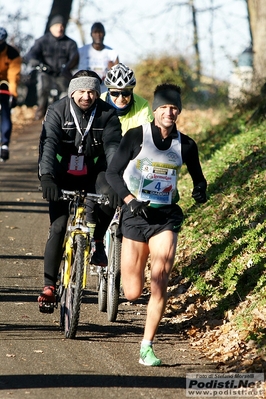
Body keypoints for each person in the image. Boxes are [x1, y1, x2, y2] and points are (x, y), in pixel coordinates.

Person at [106, 83, 207, 366]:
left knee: (160, 279)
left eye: (174, 107)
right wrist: (129, 200)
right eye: (164, 107)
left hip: (166, 218)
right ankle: (111, 237)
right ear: (155, 109)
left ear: (179, 111)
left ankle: (147, 346)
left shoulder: (186, 144)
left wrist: (200, 190)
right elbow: (112, 173)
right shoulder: (136, 136)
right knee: (132, 292)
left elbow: (199, 178)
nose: (169, 112)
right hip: (136, 216)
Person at [37, 69, 122, 312]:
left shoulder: (107, 113)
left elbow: (114, 148)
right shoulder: (57, 110)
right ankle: (49, 286)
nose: (87, 96)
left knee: (109, 199)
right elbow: (49, 145)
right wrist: (47, 178)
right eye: (82, 91)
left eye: (92, 91)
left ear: (98, 92)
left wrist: (117, 184)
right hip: (61, 174)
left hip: (95, 172)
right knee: (58, 226)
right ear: (73, 91)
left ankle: (97, 241)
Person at [25, 15, 78, 120]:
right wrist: (36, 63)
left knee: (66, 92)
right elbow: (31, 54)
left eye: (62, 26)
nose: (60, 28)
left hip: (62, 73)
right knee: (42, 88)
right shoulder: (42, 41)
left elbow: (75, 58)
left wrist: (68, 67)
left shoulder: (70, 43)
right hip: (46, 72)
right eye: (57, 25)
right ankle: (40, 110)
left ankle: (65, 113)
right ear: (51, 27)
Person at [102, 62, 153, 134]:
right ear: (108, 91)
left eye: (125, 93)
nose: (120, 98)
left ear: (131, 91)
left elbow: (147, 135)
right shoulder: (98, 102)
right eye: (115, 93)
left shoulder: (142, 105)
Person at [76, 22, 119, 93]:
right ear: (91, 34)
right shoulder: (82, 51)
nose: (98, 35)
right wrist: (76, 84)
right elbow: (66, 70)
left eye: (100, 32)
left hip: (104, 93)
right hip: (85, 93)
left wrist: (112, 70)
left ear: (104, 34)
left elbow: (119, 76)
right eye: (95, 32)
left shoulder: (112, 53)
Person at [0, 27, 21, 161]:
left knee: (5, 111)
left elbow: (13, 75)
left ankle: (5, 144)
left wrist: (13, 94)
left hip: (5, 83)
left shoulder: (12, 53)